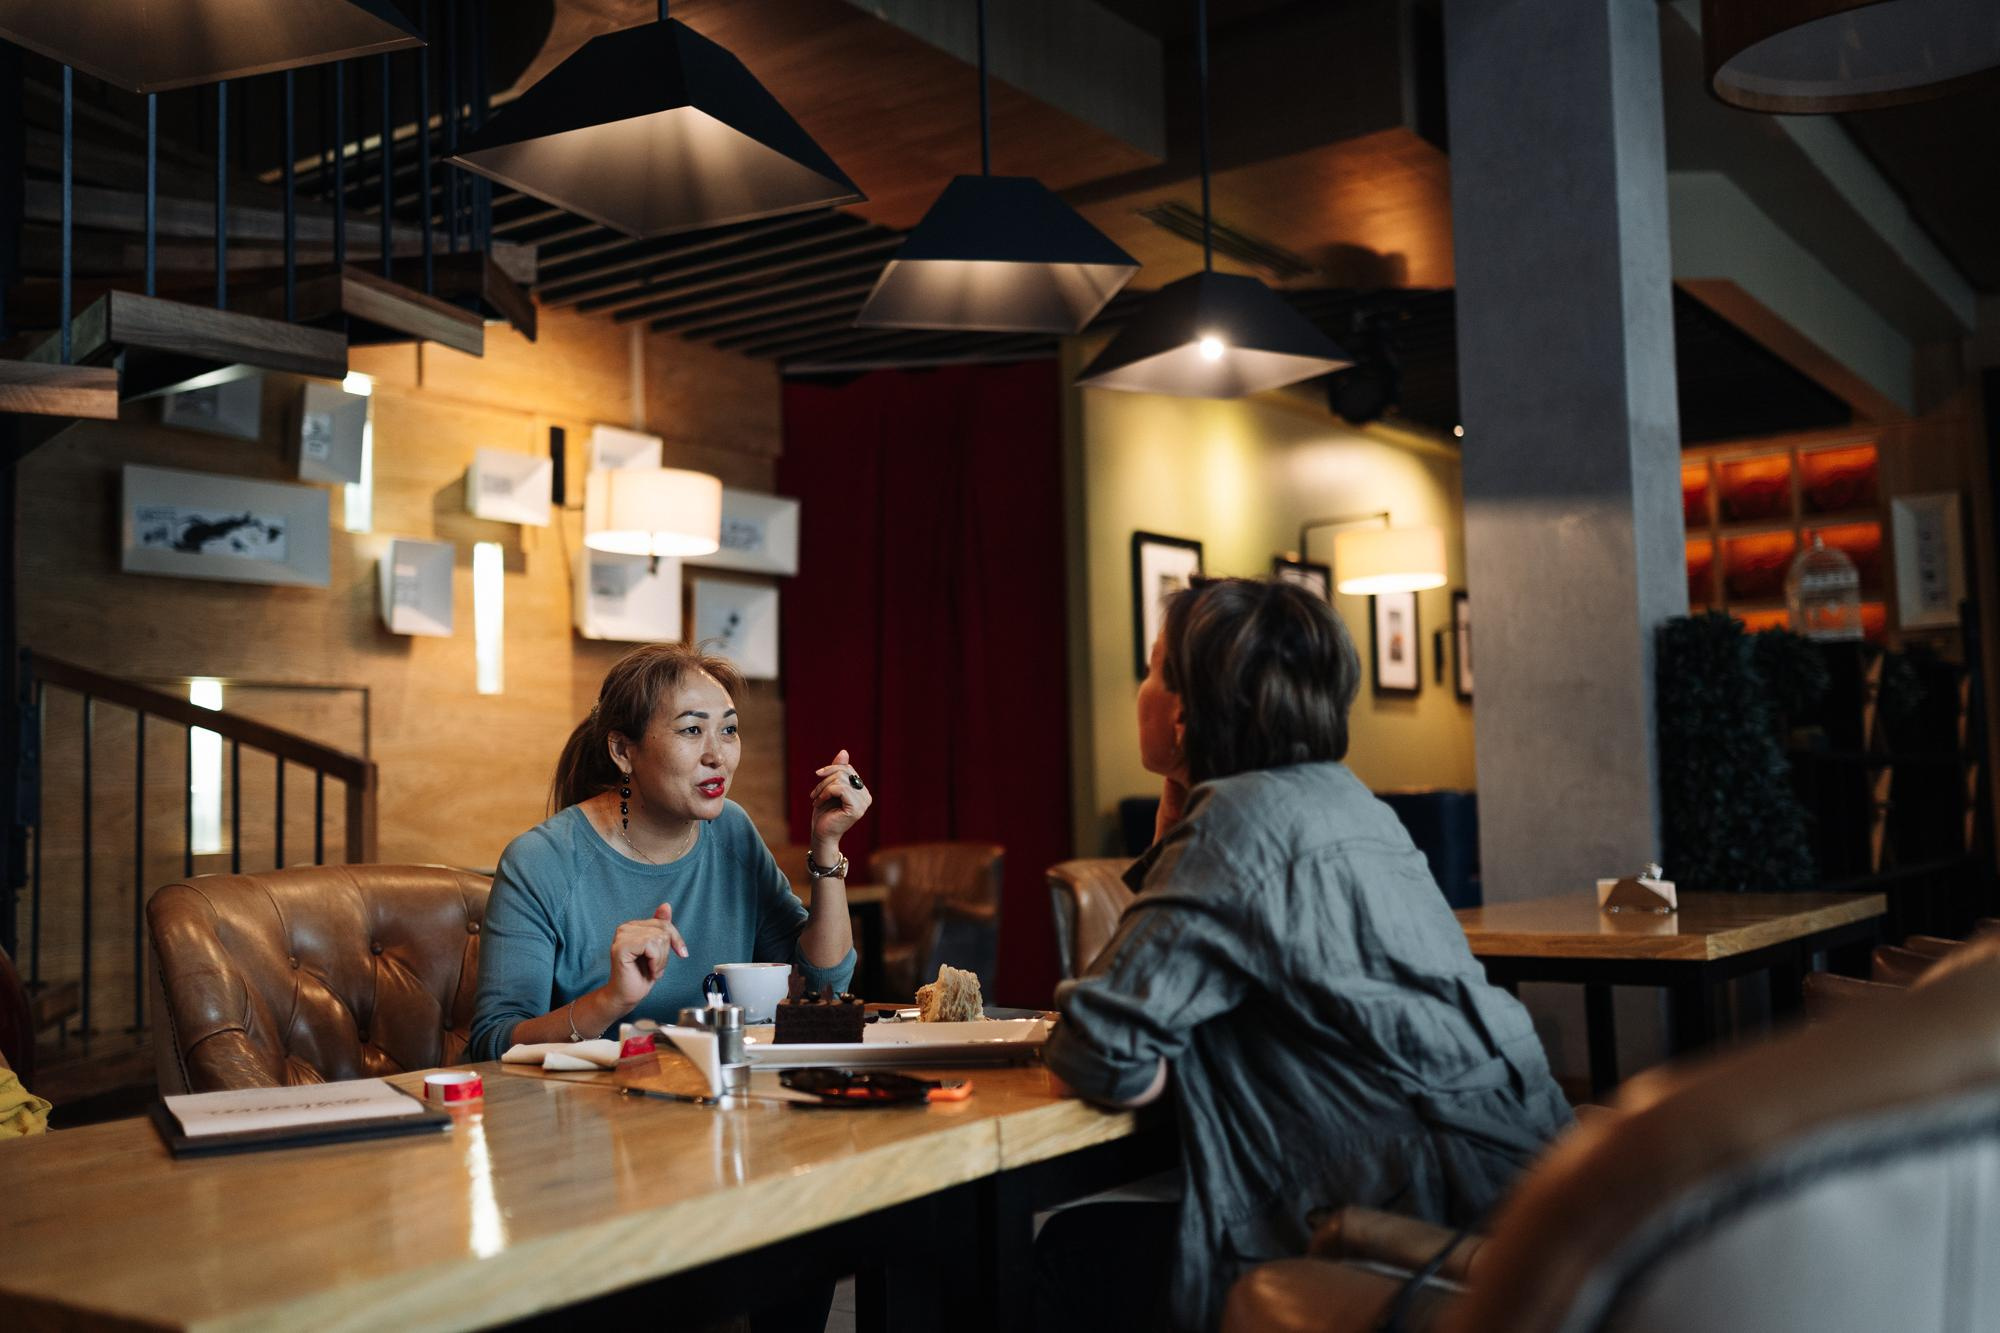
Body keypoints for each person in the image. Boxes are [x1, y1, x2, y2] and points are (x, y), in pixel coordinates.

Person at [1036, 578, 1572, 1332]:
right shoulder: (1350, 801)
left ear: (1185, 715)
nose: (1141, 688)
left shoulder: (1237, 822)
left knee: (1066, 1249)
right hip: (1515, 1197)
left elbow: (1098, 1058)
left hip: (1409, 1222)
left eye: (1155, 667)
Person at [469, 642, 870, 1063]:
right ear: (623, 751)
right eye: (691, 730)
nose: (717, 755)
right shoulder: (539, 861)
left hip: (718, 1099)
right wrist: (611, 1000)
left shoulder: (731, 830)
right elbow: (494, 1043)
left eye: (728, 730)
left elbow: (820, 987)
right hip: (591, 1115)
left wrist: (827, 847)